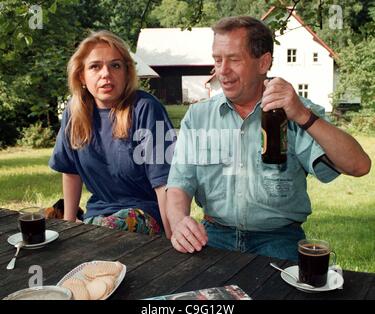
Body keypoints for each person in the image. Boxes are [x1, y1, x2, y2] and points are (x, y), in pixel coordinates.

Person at [166, 16, 371, 261]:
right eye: (217, 60)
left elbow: (359, 165)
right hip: (214, 236)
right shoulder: (199, 116)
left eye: (234, 59)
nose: (223, 70)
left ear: (263, 63)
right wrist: (179, 221)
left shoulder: (295, 110)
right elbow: (179, 182)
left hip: (278, 240)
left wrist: (303, 115)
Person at [49, 30, 175, 237]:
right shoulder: (74, 112)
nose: (105, 73)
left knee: (100, 233)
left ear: (126, 72)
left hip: (147, 215)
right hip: (98, 215)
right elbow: (71, 171)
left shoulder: (146, 108)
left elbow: (164, 183)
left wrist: (171, 240)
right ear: (81, 75)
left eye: (115, 65)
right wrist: (69, 224)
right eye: (95, 66)